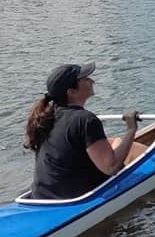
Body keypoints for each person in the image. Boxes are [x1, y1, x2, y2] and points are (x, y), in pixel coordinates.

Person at [24, 61, 141, 200]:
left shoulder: (46, 116)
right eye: (85, 79)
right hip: (74, 199)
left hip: (41, 196)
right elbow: (111, 167)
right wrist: (131, 129)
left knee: (113, 142)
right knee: (121, 153)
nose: (92, 81)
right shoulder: (86, 120)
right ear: (71, 92)